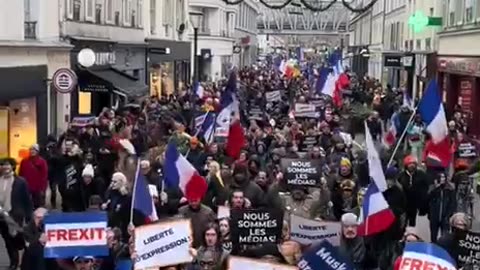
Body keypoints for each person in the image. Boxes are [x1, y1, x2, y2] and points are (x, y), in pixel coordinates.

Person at [0, 158, 33, 270]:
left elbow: (27, 199)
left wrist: (29, 215)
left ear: (12, 167)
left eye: (8, 165)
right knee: (7, 240)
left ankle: (18, 261)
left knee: (14, 239)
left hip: (14, 215)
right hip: (1, 215)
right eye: (3, 165)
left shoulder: (20, 181)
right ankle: (13, 262)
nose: (5, 167)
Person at [19, 144, 48, 208]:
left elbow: (44, 175)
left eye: (34, 150)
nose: (32, 151)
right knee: (26, 204)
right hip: (26, 186)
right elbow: (21, 174)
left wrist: (43, 188)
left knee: (37, 205)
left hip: (37, 187)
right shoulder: (24, 161)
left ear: (37, 151)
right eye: (31, 149)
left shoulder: (42, 161)